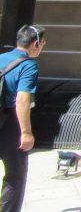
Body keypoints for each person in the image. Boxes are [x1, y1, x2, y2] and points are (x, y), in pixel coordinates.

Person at [0, 25, 45, 212]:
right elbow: (22, 99)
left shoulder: (1, 58)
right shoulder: (29, 65)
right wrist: (26, 132)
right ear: (35, 44)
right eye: (42, 44)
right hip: (10, 121)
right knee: (15, 174)